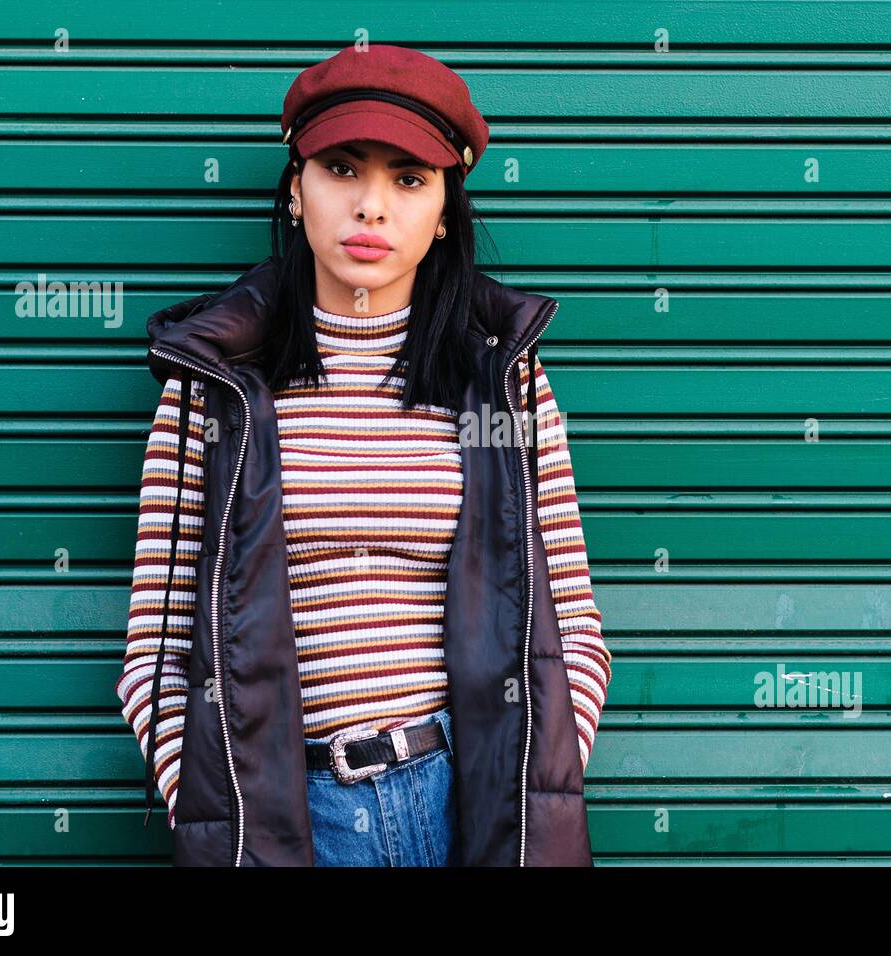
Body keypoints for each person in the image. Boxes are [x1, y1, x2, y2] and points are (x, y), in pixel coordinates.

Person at [115, 43, 611, 866]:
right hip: (284, 812)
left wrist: (520, 787)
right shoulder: (214, 385)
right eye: (342, 169)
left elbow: (575, 630)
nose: (371, 207)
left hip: (466, 800)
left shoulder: (503, 380)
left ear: (446, 207)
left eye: (409, 179)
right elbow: (157, 653)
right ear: (298, 191)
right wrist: (223, 807)